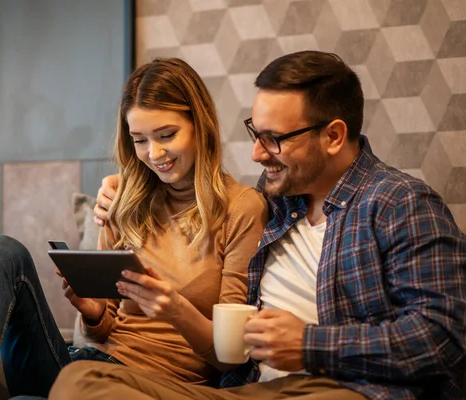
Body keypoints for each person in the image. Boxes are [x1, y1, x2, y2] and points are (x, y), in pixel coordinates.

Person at [50, 51, 466, 400]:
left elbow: (445, 337)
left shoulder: (398, 203)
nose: (255, 153)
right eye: (255, 133)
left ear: (334, 136)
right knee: (79, 381)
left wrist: (308, 345)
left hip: (344, 389)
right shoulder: (271, 205)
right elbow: (194, 195)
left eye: (273, 138)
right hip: (243, 390)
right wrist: (117, 187)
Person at [0, 57, 268, 400]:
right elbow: (105, 329)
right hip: (84, 368)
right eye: (139, 140)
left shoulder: (241, 209)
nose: (154, 154)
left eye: (166, 135)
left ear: (200, 125)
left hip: (155, 386)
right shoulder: (124, 200)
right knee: (2, 252)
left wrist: (174, 308)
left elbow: (229, 358)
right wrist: (93, 313)